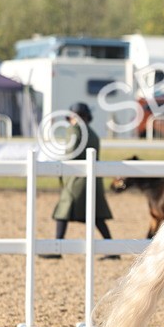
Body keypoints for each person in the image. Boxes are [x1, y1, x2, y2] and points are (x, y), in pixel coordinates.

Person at [47, 102, 113, 256]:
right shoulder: (93, 134)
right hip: (93, 181)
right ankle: (111, 249)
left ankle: (57, 248)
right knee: (96, 216)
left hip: (77, 180)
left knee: (63, 211)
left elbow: (70, 154)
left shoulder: (74, 130)